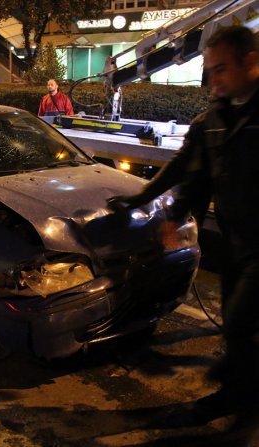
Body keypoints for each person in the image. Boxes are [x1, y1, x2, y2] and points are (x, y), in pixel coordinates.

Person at [110, 26, 259, 443]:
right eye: (209, 71)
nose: (214, 80)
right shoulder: (217, 115)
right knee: (235, 319)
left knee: (242, 322)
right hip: (235, 242)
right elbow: (187, 170)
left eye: (221, 70)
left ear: (250, 61)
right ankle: (235, 391)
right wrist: (148, 201)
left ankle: (246, 410)